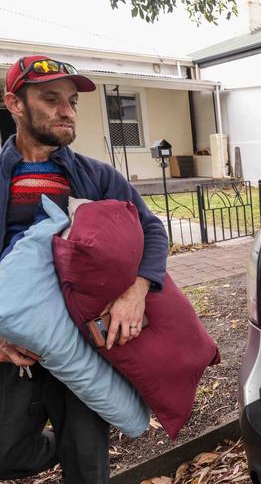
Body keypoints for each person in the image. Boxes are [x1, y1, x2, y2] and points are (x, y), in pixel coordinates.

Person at [0, 56, 168, 482]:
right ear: (14, 104)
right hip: (15, 346)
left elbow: (152, 228)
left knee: (87, 468)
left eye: (72, 101)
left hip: (81, 343)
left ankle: (83, 442)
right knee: (6, 452)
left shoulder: (96, 177)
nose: (67, 111)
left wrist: (138, 289)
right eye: (51, 99)